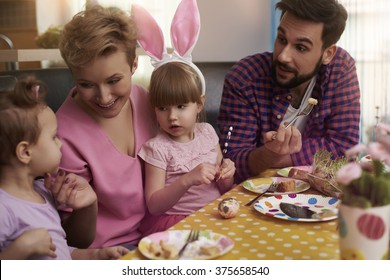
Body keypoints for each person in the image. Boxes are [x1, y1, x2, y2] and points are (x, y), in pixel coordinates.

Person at [218, 0, 361, 183]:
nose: (283, 56)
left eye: (301, 47)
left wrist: (272, 156)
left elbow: (344, 147)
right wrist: (270, 153)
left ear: (327, 54)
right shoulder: (244, 78)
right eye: (282, 39)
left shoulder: (340, 68)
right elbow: (231, 162)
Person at [56, 5, 156, 249]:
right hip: (108, 251)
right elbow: (74, 239)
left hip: (160, 235)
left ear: (133, 65)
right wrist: (87, 205)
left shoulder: (148, 101)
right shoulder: (61, 135)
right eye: (86, 84)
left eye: (114, 81)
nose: (103, 97)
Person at [133, 0, 235, 234]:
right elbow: (154, 204)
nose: (172, 117)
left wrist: (227, 173)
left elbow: (222, 186)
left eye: (181, 106)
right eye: (162, 108)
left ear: (199, 104)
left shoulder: (208, 133)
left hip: (213, 213)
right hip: (176, 222)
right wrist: (187, 179)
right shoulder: (157, 148)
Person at [0, 76, 129, 259]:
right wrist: (20, 249)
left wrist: (96, 255)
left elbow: (58, 253)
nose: (60, 144)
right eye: (53, 137)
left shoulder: (43, 192)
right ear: (25, 152)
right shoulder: (4, 208)